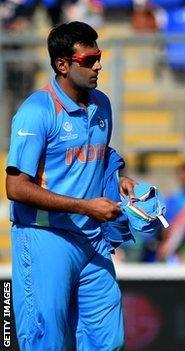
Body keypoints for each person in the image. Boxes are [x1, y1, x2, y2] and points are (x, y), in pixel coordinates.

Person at [5, 21, 135, 350]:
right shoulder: (36, 111)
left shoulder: (102, 104)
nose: (98, 66)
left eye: (99, 57)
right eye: (89, 60)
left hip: (91, 241)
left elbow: (98, 156)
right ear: (63, 65)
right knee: (43, 340)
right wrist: (85, 206)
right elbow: (16, 188)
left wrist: (119, 179)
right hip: (46, 238)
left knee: (108, 341)